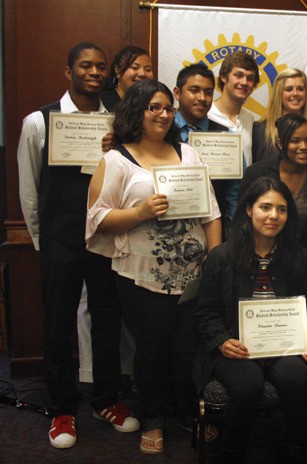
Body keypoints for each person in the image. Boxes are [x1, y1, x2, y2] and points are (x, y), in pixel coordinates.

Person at [86, 79, 222, 454]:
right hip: (141, 276)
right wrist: (140, 212)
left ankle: (185, 413)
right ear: (137, 112)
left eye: (168, 108)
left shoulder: (189, 155)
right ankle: (153, 419)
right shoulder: (116, 160)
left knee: (185, 349)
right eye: (154, 108)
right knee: (152, 350)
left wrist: (215, 257)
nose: (164, 114)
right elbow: (97, 218)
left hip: (192, 275)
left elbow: (211, 212)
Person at [17, 42, 139, 450]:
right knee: (57, 324)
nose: (94, 72)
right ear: (67, 70)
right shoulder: (39, 121)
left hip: (104, 237)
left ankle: (106, 399)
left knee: (107, 319)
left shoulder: (117, 123)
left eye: (100, 67)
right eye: (85, 65)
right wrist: (40, 239)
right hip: (59, 239)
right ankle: (61, 408)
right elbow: (29, 188)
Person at [194, 177, 307, 463]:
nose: (274, 216)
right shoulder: (221, 257)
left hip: (282, 346)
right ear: (248, 209)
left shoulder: (298, 257)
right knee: (248, 383)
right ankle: (233, 452)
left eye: (282, 209)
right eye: (265, 207)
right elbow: (205, 311)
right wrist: (222, 341)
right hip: (235, 346)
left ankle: (295, 449)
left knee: (297, 376)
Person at [241, 113, 307, 259]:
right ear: (280, 143)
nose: (304, 146)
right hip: (259, 258)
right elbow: (242, 222)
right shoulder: (256, 174)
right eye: (295, 141)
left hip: (303, 263)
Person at [173, 63, 231, 241]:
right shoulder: (162, 130)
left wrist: (232, 228)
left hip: (214, 228)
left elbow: (235, 188)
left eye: (208, 92)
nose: (202, 98)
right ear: (177, 93)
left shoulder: (224, 135)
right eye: (194, 90)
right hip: (169, 227)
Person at [208, 51, 260, 231]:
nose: (244, 82)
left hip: (242, 206)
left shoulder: (251, 120)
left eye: (250, 78)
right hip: (212, 205)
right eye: (238, 75)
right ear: (223, 77)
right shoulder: (206, 115)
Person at [252, 68, 307, 166]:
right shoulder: (261, 130)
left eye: (300, 89)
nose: (295, 94)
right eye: (289, 89)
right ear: (278, 94)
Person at [99, 45, 153, 111]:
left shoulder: (151, 103)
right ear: (118, 70)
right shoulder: (101, 101)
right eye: (135, 68)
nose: (142, 74)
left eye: (148, 69)